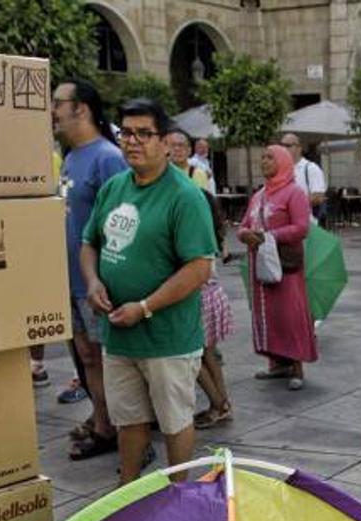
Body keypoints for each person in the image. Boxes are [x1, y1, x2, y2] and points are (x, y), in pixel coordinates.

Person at [80, 98, 217, 483]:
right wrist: (92, 281)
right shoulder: (112, 188)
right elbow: (89, 242)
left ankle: (178, 492)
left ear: (163, 141)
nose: (133, 142)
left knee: (174, 420)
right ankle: (128, 490)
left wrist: (144, 306)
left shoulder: (184, 195)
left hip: (167, 338)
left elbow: (198, 268)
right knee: (129, 420)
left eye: (144, 133)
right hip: (119, 335)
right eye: (126, 133)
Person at [53, 78, 129, 460]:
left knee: (108, 360)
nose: (52, 110)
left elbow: (119, 224)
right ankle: (103, 424)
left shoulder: (107, 158)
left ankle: (127, 430)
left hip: (96, 284)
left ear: (80, 108)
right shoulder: (70, 157)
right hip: (69, 279)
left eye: (58, 102)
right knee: (85, 357)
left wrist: (101, 279)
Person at [238, 145, 315, 391]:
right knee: (269, 314)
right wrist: (245, 234)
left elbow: (302, 228)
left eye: (270, 157)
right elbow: (242, 226)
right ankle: (278, 364)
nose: (264, 161)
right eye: (262, 157)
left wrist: (269, 236)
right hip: (261, 264)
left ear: (283, 161)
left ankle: (296, 367)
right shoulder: (258, 196)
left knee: (290, 313)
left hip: (285, 264)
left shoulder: (295, 193)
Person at [195, 187, 235, 428]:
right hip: (212, 296)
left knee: (194, 357)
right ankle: (221, 403)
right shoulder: (210, 229)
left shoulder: (197, 233)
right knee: (209, 353)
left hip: (200, 298)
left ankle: (218, 403)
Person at [281, 132, 327, 220]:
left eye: (288, 146)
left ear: (299, 148)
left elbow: (318, 197)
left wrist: (292, 205)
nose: (283, 149)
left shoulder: (310, 168)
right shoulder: (280, 169)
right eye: (282, 146)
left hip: (306, 223)